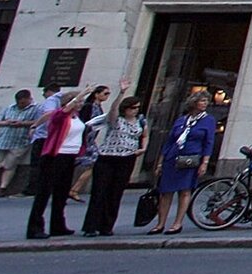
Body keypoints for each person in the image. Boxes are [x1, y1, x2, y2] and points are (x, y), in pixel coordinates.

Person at [24, 85, 90, 239]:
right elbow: (61, 112)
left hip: (70, 156)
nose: (80, 105)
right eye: (78, 102)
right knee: (44, 192)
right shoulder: (60, 116)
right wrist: (80, 94)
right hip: (55, 156)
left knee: (61, 192)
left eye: (81, 102)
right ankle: (35, 227)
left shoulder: (76, 117)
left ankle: (58, 224)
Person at [148, 91, 216, 235]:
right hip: (173, 157)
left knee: (185, 191)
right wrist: (160, 162)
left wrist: (205, 162)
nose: (205, 104)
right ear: (194, 103)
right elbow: (169, 141)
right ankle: (160, 224)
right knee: (165, 192)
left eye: (206, 101)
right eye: (202, 101)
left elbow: (209, 142)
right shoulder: (181, 120)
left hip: (190, 158)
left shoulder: (208, 120)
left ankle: (177, 223)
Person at [80, 96, 147, 237]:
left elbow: (145, 134)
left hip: (127, 158)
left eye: (137, 107)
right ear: (125, 108)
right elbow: (113, 111)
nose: (135, 110)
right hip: (108, 157)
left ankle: (107, 225)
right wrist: (121, 93)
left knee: (115, 193)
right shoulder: (116, 120)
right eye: (133, 108)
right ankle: (91, 226)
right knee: (99, 192)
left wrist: (143, 147)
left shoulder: (140, 120)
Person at [68, 86, 110, 203]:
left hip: (90, 139)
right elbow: (84, 122)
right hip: (84, 139)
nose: (106, 96)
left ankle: (74, 189)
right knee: (83, 162)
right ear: (96, 94)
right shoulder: (89, 106)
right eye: (105, 93)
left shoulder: (98, 108)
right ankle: (71, 189)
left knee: (92, 163)